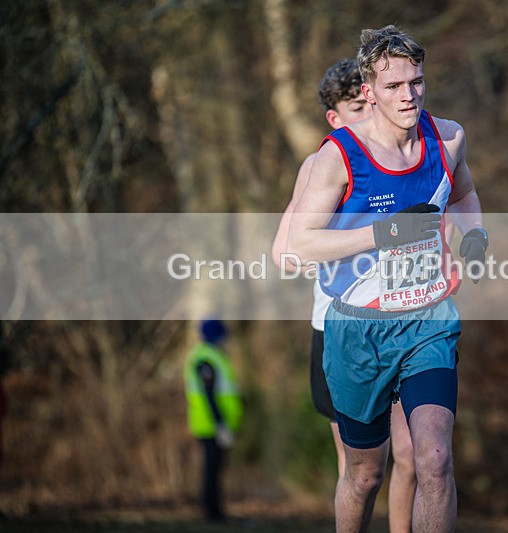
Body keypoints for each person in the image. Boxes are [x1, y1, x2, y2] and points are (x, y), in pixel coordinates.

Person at [287, 26, 488, 532]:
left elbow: (463, 196)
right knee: (363, 475)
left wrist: (475, 237)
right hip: (357, 329)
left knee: (434, 460)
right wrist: (385, 234)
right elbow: (301, 243)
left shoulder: (449, 138)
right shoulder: (338, 156)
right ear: (369, 91)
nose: (409, 95)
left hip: (428, 321)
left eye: (416, 82)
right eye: (394, 86)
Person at [271, 58, 418, 532]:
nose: (370, 111)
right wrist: (340, 251)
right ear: (334, 117)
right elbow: (285, 252)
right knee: (359, 469)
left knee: (413, 457)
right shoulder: (321, 163)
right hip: (339, 331)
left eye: (370, 101)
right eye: (358, 106)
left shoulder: (403, 153)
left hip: (404, 323)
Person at [184, 319, 243, 522]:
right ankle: (212, 512)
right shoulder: (206, 358)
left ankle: (215, 510)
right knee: (211, 470)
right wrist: (220, 424)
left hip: (213, 423)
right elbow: (209, 395)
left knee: (215, 470)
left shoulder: (211, 356)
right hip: (210, 424)